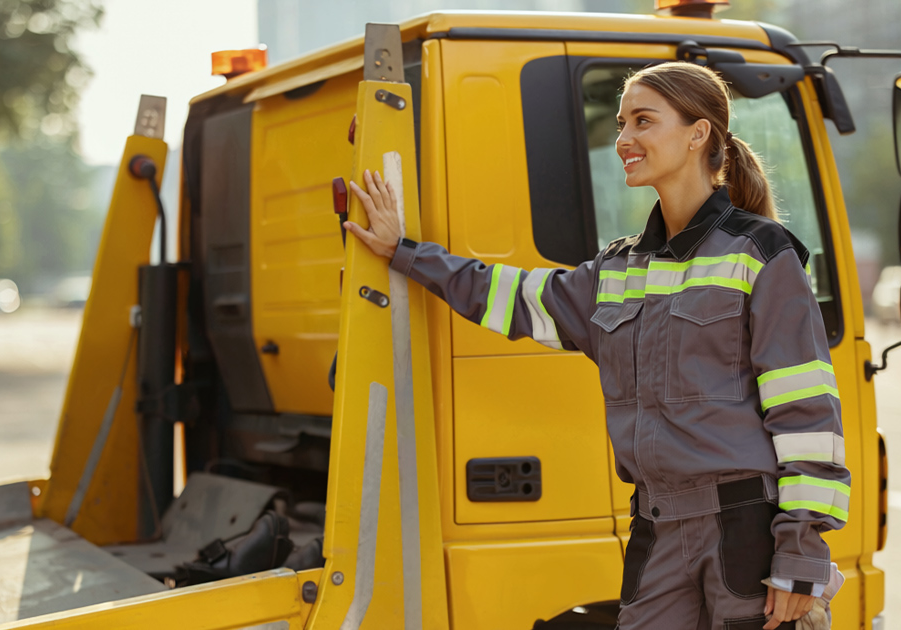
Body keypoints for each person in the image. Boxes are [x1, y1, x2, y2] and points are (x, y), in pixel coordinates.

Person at [345, 61, 849, 630]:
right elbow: (506, 294)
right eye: (620, 124)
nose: (623, 140)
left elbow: (807, 413)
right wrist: (405, 251)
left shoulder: (761, 252)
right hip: (656, 528)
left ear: (697, 133)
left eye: (642, 121)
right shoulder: (617, 267)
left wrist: (801, 549)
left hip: (744, 529)